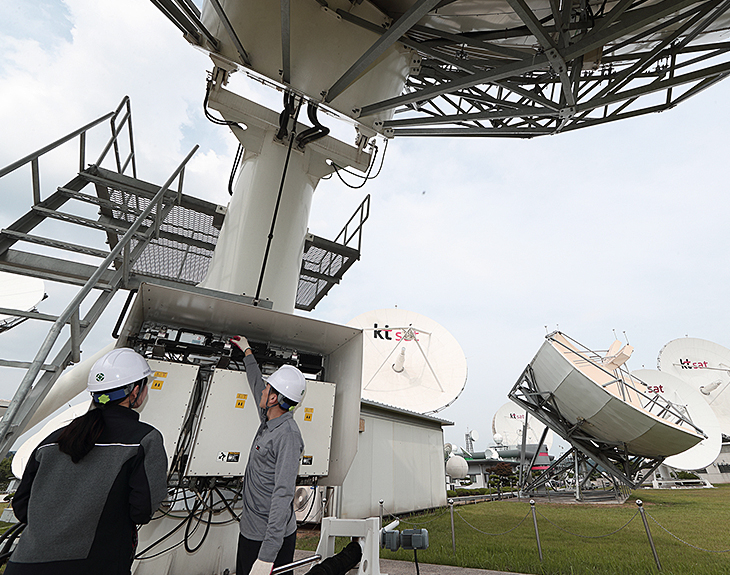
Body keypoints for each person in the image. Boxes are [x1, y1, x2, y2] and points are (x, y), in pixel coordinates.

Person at [6, 348, 168, 575]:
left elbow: (22, 508)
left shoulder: (53, 439)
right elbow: (141, 511)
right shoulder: (144, 439)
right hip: (94, 564)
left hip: (23, 565)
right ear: (135, 392)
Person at [230, 336, 306, 575]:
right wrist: (247, 352)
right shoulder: (268, 419)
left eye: (268, 388)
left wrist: (267, 556)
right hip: (250, 531)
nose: (262, 389)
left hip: (268, 539)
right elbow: (255, 385)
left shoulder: (288, 436)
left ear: (274, 398)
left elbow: (283, 495)